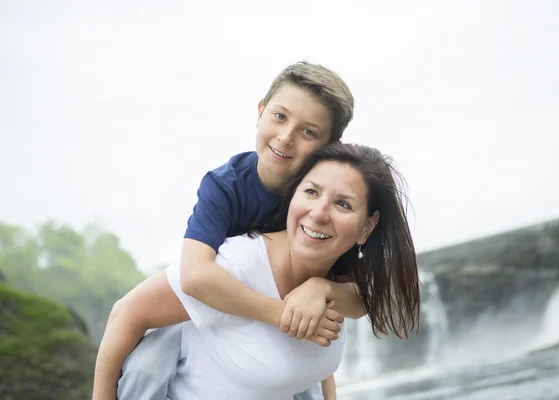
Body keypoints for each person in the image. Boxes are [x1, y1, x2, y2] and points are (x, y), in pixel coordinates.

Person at [93, 61, 363, 400]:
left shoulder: (316, 206)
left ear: (329, 146)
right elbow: (194, 276)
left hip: (280, 326)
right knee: (146, 368)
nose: (286, 137)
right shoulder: (225, 185)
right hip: (195, 308)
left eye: (308, 131)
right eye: (280, 116)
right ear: (261, 110)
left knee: (309, 382)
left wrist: (321, 287)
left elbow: (358, 294)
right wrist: (281, 314)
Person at [96, 142, 420, 399]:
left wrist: (323, 289)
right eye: (311, 192)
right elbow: (126, 312)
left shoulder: (342, 277)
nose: (319, 213)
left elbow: (318, 365)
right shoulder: (238, 265)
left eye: (343, 204)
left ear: (367, 227)